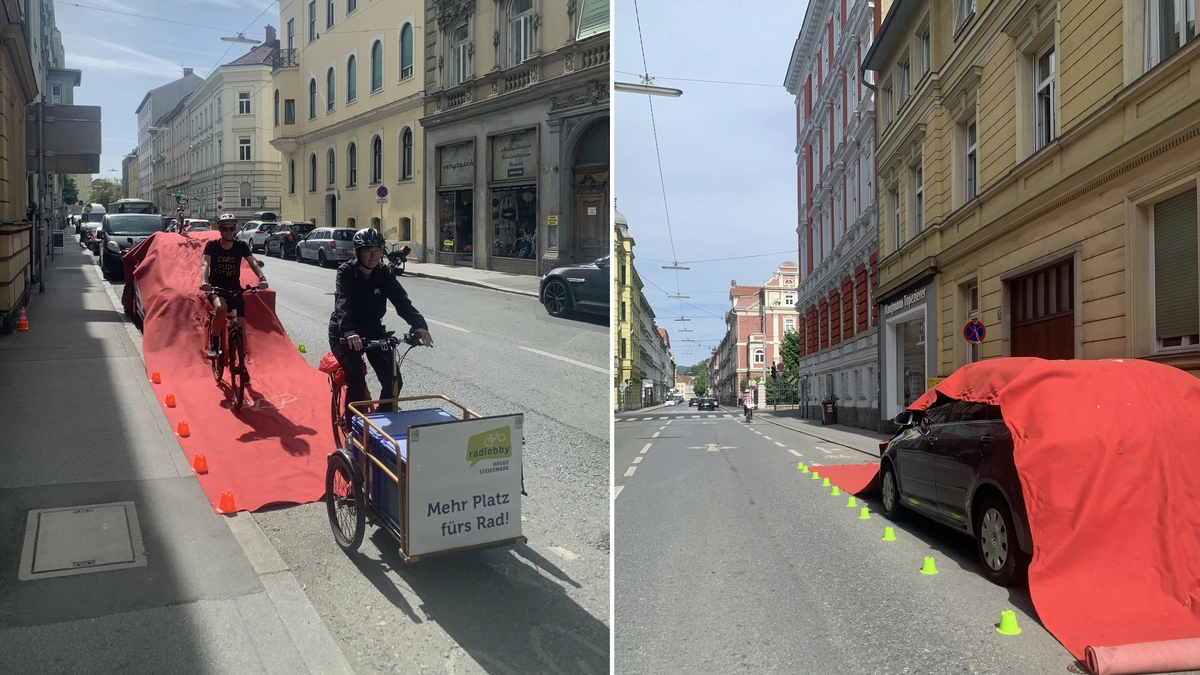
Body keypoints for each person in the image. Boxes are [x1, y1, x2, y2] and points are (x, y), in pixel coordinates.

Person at [328, 228, 433, 419]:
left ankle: (380, 424)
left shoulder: (384, 273)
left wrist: (419, 324)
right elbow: (342, 303)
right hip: (344, 331)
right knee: (357, 380)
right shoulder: (346, 272)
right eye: (368, 251)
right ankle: (353, 433)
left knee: (393, 381)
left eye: (377, 250)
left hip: (372, 328)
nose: (373, 256)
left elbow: (401, 301)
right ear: (358, 252)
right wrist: (350, 331)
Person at [200, 213, 268, 358]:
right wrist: (205, 282)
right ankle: (215, 342)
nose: (229, 231)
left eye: (231, 228)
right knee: (221, 308)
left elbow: (253, 263)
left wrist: (262, 277)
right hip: (216, 288)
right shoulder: (212, 246)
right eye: (225, 229)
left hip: (235, 290)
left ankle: (242, 365)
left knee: (241, 327)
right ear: (220, 229)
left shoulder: (241, 246)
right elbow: (205, 264)